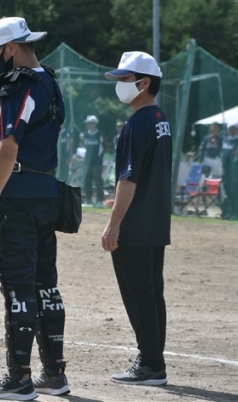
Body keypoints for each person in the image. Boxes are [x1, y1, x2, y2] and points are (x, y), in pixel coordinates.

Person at [0, 17, 69, 400]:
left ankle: (19, 379)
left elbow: (9, 148)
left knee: (18, 285)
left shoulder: (16, 86)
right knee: (46, 285)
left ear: (10, 49)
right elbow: (23, 148)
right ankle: (54, 374)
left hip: (19, 201)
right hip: (47, 194)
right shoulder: (49, 82)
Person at [101, 51, 171, 386]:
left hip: (135, 227)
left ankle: (151, 364)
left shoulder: (136, 123)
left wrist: (113, 223)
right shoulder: (160, 119)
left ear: (143, 83)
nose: (120, 84)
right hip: (155, 221)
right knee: (152, 293)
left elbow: (128, 179)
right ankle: (154, 360)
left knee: (139, 294)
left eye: (125, 79)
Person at [220, 123, 238, 220]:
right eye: (230, 129)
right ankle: (228, 211)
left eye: (234, 129)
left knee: (234, 190)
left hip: (235, 169)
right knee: (226, 190)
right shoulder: (224, 140)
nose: (232, 131)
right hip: (225, 169)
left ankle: (236, 212)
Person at [82, 115, 105, 207]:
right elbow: (84, 148)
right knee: (87, 181)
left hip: (97, 163)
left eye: (89, 123)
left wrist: (100, 160)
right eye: (87, 123)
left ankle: (100, 200)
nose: (87, 125)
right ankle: (88, 200)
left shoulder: (100, 134)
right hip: (87, 163)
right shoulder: (85, 135)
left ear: (94, 124)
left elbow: (103, 148)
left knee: (98, 181)